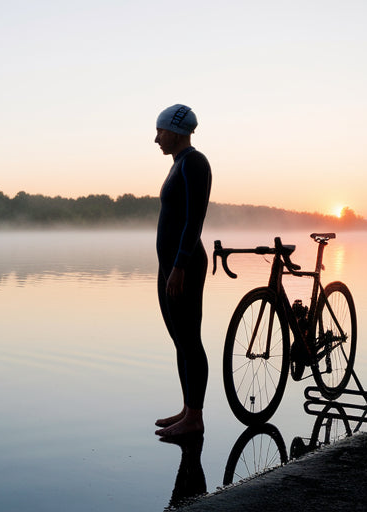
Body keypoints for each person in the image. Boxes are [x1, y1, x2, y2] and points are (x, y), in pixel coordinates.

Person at [151, 104, 212, 437]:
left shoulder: (195, 163)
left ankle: (196, 418)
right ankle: (187, 408)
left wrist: (179, 266)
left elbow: (194, 219)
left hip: (183, 266)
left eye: (160, 131)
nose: (156, 138)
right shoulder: (178, 165)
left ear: (175, 131)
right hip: (170, 267)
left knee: (190, 339)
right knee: (180, 340)